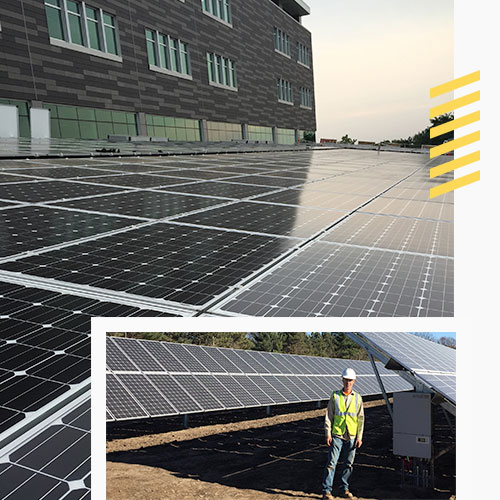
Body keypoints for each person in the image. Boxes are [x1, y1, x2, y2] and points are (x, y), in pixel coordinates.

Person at [321, 368, 364, 499]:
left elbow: (360, 418)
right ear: (342, 380)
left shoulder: (357, 398)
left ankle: (344, 489)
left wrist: (359, 437)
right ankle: (326, 491)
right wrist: (328, 433)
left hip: (351, 435)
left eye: (350, 380)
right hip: (337, 434)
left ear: (354, 381)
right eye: (346, 380)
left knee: (348, 464)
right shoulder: (335, 396)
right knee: (331, 463)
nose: (348, 382)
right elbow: (329, 416)